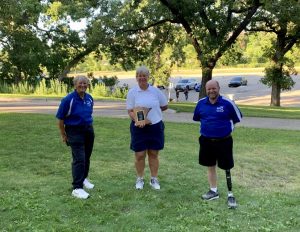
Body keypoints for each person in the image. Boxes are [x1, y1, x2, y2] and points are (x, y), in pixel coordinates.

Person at [193, 80, 242, 209]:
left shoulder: (227, 103)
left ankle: (230, 193)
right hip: (206, 140)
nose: (211, 91)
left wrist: (226, 129)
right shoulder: (201, 104)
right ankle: (213, 191)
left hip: (224, 141)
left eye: (213, 88)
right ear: (206, 90)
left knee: (226, 166)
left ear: (218, 88)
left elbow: (237, 118)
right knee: (210, 165)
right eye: (208, 89)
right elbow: (198, 117)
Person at [126, 66, 168, 190]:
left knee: (153, 154)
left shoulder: (155, 91)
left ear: (148, 77)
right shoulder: (132, 92)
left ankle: (154, 179)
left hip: (155, 127)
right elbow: (130, 110)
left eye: (144, 75)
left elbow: (164, 106)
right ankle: (140, 178)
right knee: (139, 154)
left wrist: (153, 113)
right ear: (136, 77)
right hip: (138, 128)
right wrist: (139, 121)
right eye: (139, 75)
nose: (142, 78)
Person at [56, 76, 95, 199]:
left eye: (85, 83)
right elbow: (60, 119)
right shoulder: (68, 100)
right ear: (75, 85)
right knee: (79, 159)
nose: (83, 85)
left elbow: (89, 113)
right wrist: (63, 134)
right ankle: (77, 188)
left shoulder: (89, 98)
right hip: (74, 131)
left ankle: (83, 179)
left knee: (87, 157)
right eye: (80, 83)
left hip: (88, 130)